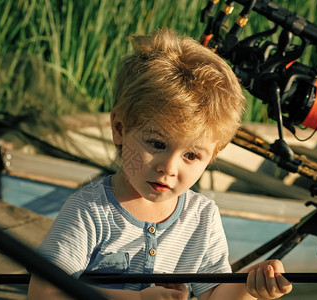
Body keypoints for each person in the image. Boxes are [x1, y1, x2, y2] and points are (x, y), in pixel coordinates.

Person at [28, 28, 293, 300]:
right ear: (119, 128)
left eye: (191, 155)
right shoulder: (90, 210)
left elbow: (214, 295)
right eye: (157, 144)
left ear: (213, 156)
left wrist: (251, 286)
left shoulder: (201, 216)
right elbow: (43, 292)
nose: (168, 168)